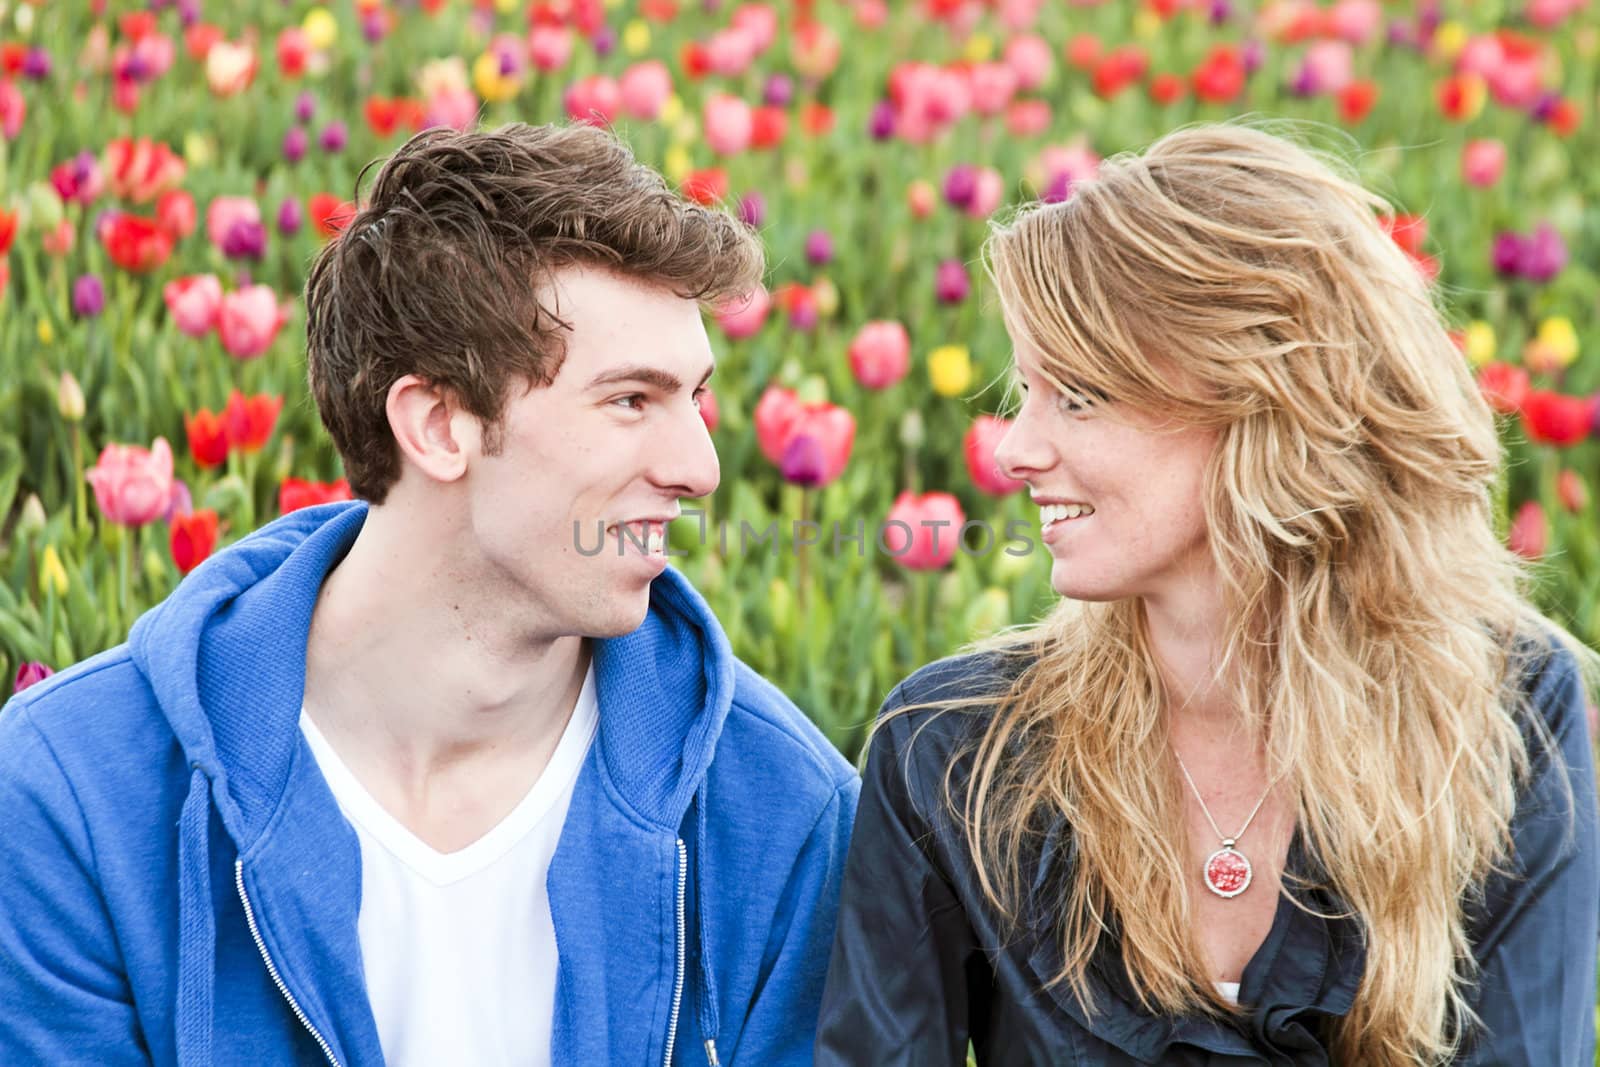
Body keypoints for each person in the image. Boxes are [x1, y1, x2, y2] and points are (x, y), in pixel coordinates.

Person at [0, 122, 858, 1067]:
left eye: (695, 397)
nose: (700, 466)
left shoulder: (783, 816)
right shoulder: (72, 796)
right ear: (440, 424)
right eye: (630, 401)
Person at [816, 122, 1599, 1065]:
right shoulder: (955, 749)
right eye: (1024, 392)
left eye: (1076, 396)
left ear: (1257, 406)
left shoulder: (1501, 708)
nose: (1015, 449)